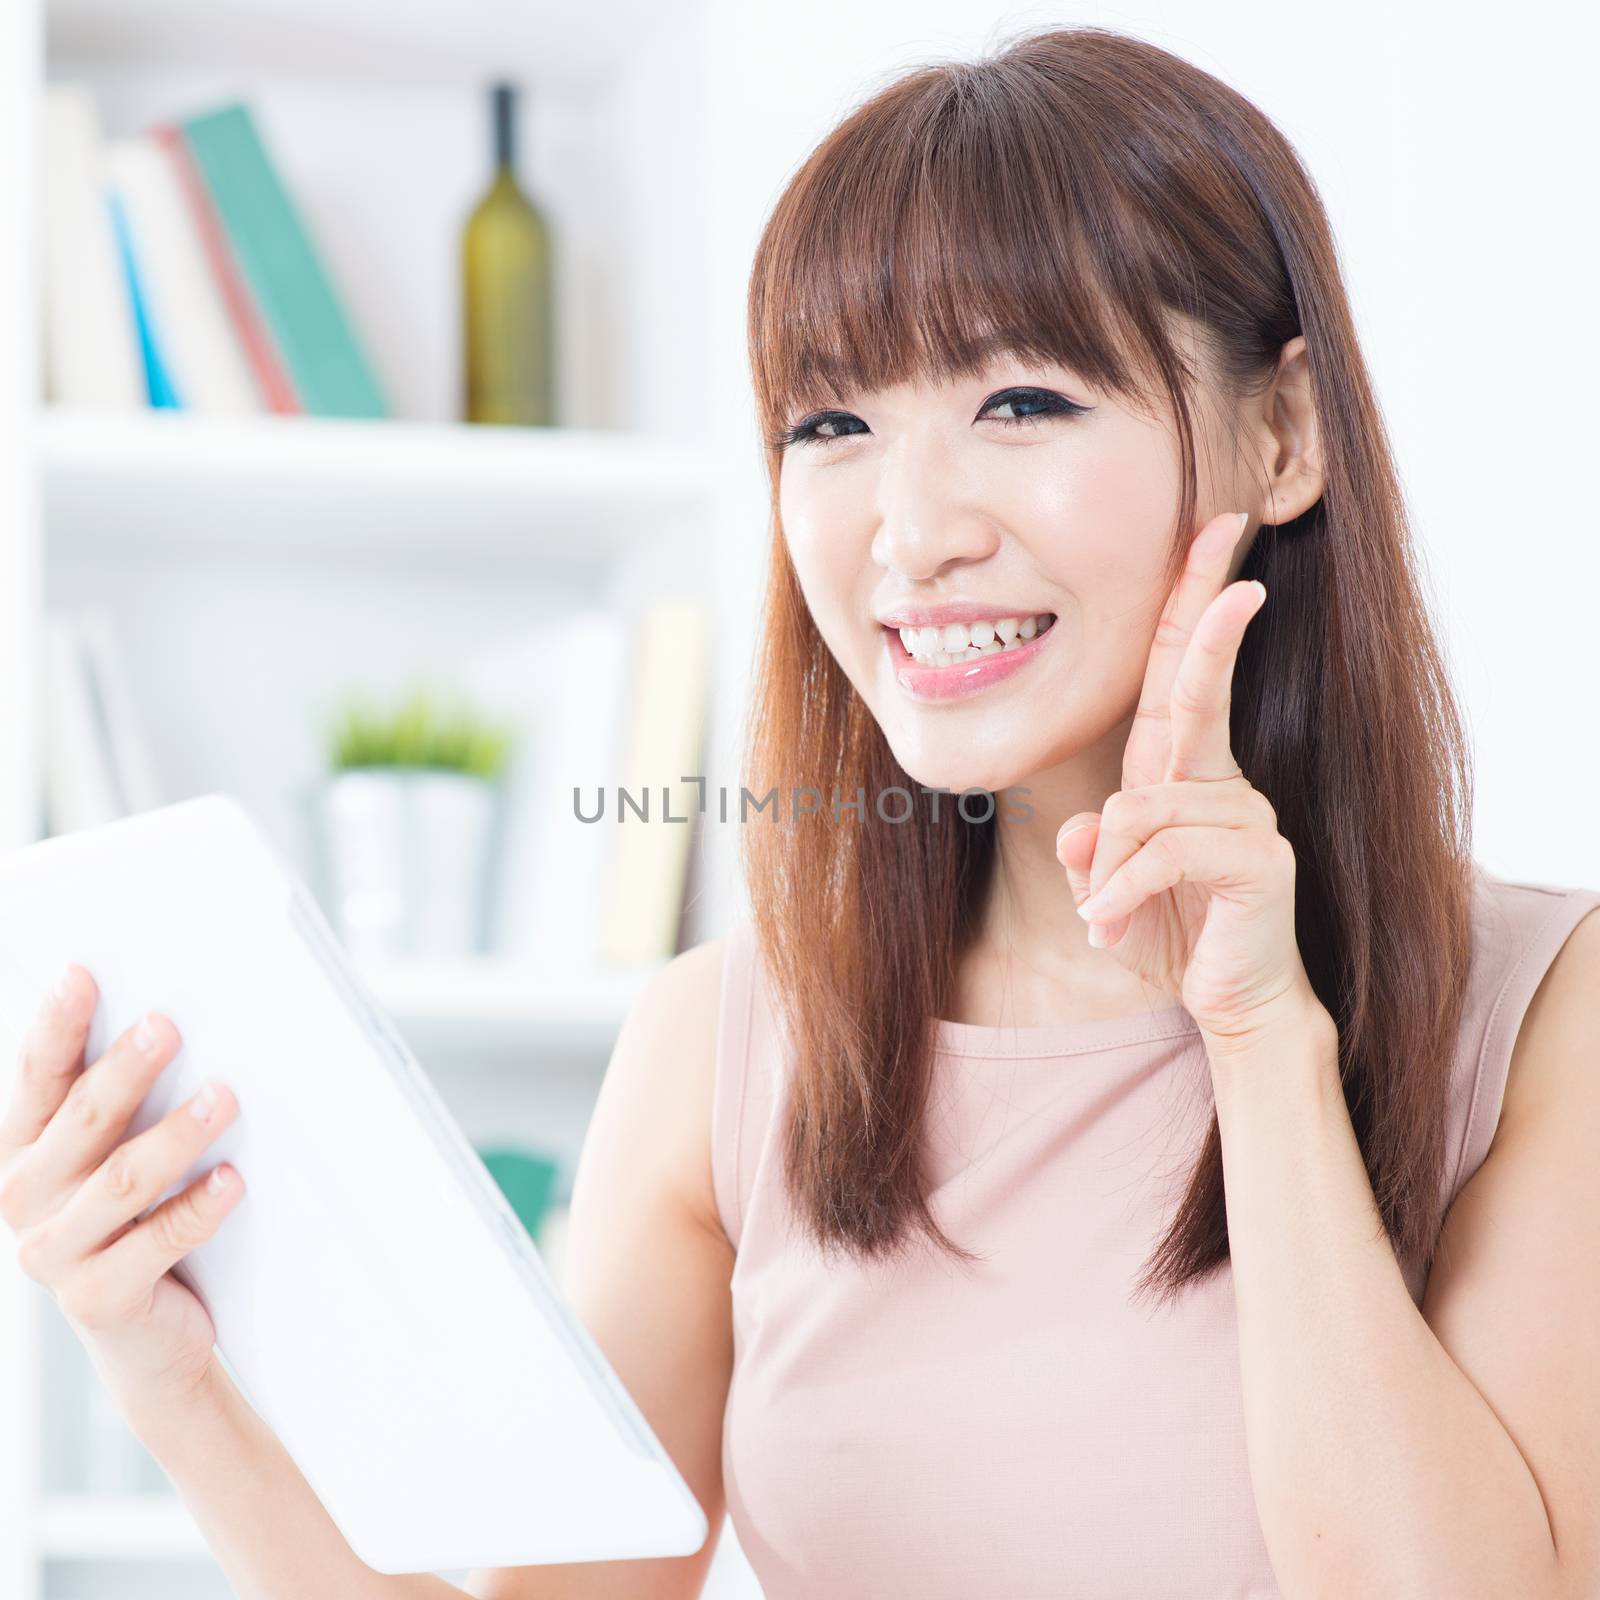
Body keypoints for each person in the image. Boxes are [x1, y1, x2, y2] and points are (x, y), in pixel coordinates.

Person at [3, 25, 1598, 1600]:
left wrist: (1260, 1039)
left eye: (1026, 400)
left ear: (1285, 431)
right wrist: (171, 1377)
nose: (908, 534)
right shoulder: (723, 1043)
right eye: (831, 425)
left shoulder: (1541, 1014)